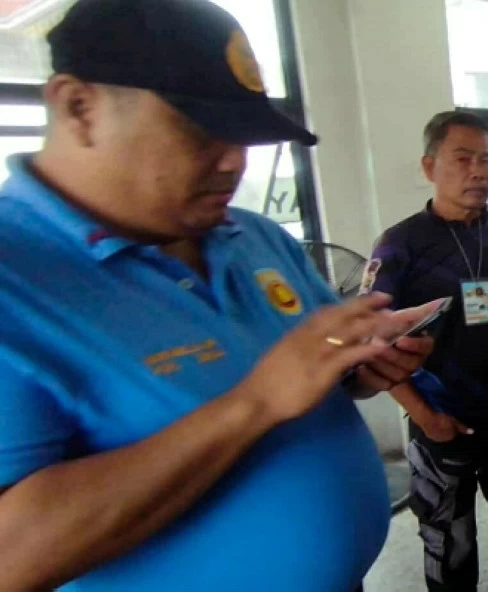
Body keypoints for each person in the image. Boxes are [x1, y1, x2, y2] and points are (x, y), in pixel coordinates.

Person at [0, 1, 435, 590]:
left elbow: (318, 370)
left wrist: (362, 369)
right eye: (200, 129)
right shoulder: (17, 279)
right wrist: (254, 403)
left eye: (244, 135)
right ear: (80, 107)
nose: (233, 161)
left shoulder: (255, 236)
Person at [363, 111, 488, 592]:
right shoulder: (400, 247)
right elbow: (372, 345)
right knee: (451, 542)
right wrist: (426, 418)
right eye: (463, 159)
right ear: (430, 167)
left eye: (485, 159)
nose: (479, 171)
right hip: (444, 426)